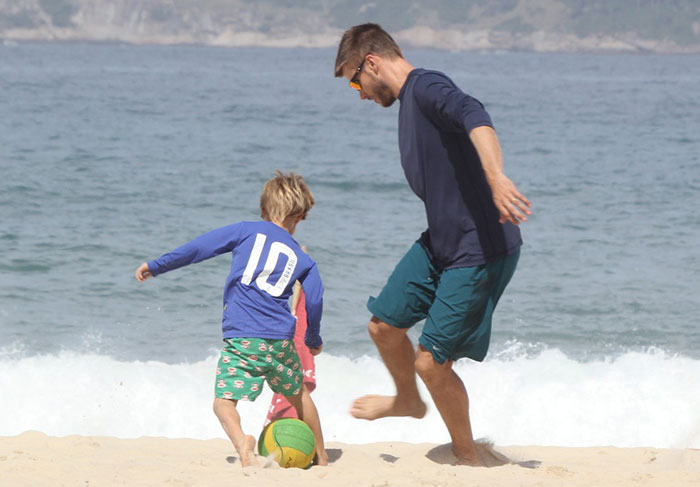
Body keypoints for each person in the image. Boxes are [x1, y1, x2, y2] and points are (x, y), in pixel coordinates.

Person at [334, 23, 532, 466]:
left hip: (479, 248)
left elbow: (474, 113)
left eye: (354, 80)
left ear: (372, 62)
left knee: (430, 362)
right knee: (383, 327)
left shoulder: (426, 87)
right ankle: (408, 401)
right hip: (442, 242)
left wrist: (497, 176)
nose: (359, 93)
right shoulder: (410, 103)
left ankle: (469, 460)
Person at [134, 171, 328, 468]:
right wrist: (312, 338)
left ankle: (243, 444)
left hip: (242, 339)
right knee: (300, 395)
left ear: (263, 211)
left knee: (223, 403)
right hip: (280, 341)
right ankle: (322, 456)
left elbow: (198, 249)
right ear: (300, 217)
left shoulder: (245, 231)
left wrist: (157, 266)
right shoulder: (304, 260)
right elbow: (314, 299)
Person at [264, 254, 318, 426]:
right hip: (287, 332)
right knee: (292, 382)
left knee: (292, 382)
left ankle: (291, 423)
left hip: (288, 334)